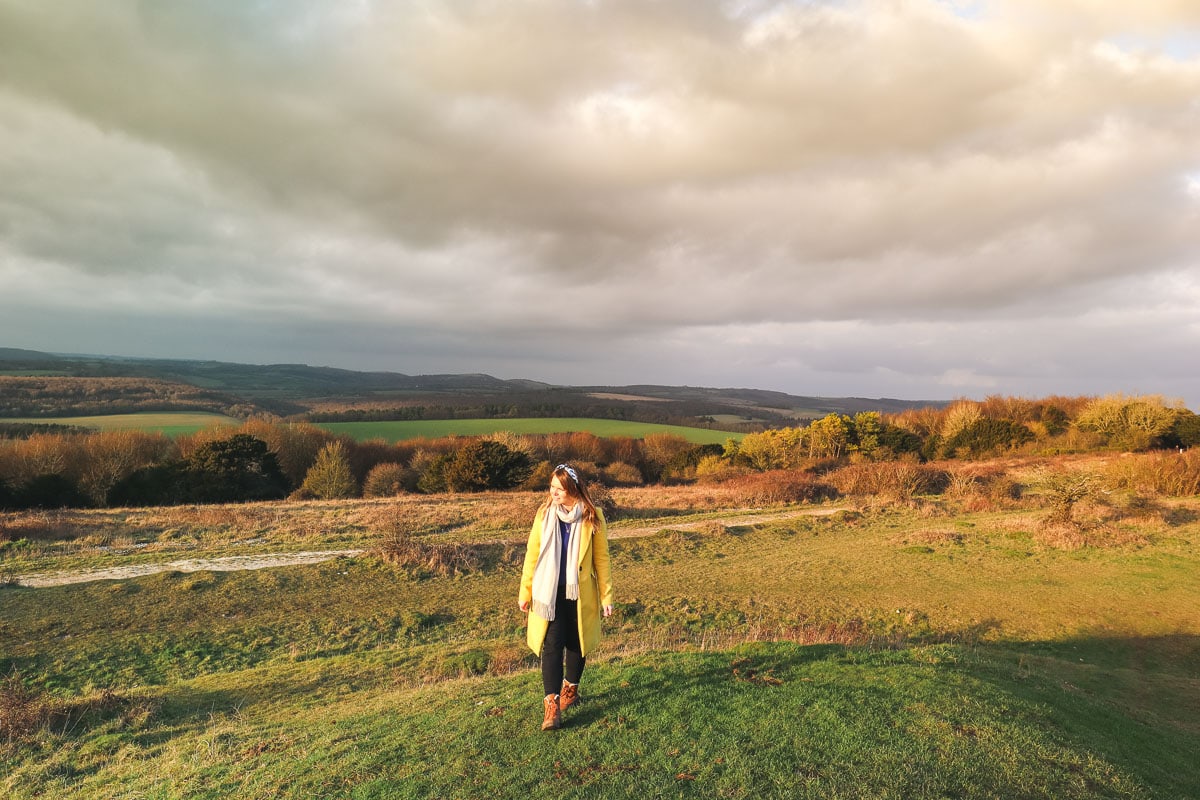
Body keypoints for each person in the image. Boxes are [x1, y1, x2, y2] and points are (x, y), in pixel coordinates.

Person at [518, 463, 614, 731]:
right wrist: (525, 591)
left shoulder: (592, 516)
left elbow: (602, 560)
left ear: (573, 488)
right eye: (552, 487)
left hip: (580, 593)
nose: (554, 493)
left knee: (576, 642)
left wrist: (607, 597)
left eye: (559, 489)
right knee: (552, 645)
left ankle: (570, 690)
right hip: (548, 593)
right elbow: (532, 554)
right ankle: (552, 707)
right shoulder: (544, 515)